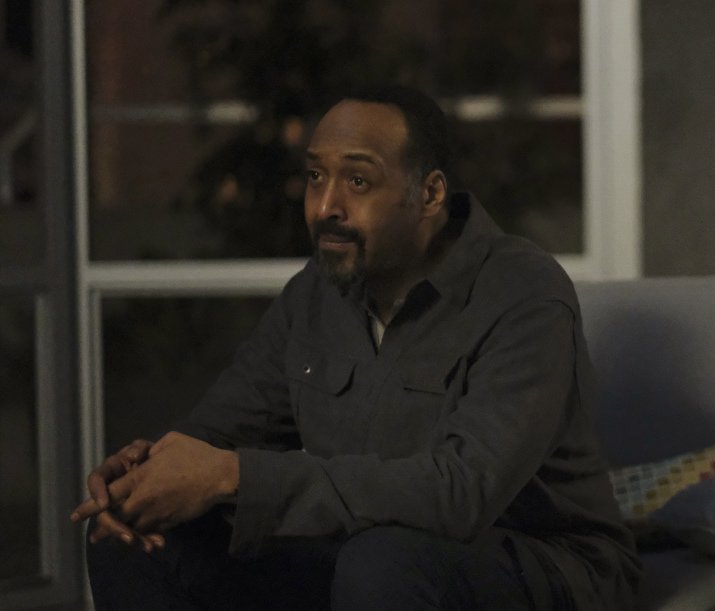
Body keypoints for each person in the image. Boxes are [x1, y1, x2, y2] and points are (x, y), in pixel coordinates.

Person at [70, 85, 640, 610]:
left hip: (538, 560)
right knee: (132, 538)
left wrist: (234, 475)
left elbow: (463, 493)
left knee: (385, 561)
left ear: (429, 193)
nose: (325, 207)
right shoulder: (314, 295)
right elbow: (218, 435)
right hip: (361, 552)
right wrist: (150, 472)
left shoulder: (524, 292)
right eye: (317, 177)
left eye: (358, 182)